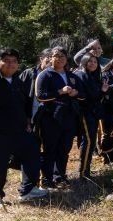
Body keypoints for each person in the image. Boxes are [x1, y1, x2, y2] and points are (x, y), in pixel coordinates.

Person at [0, 48, 47, 208]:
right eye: (7, 61)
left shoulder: (18, 80)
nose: (11, 64)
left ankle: (27, 189)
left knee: (32, 153)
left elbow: (24, 102)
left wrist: (27, 120)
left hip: (20, 129)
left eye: (14, 61)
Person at [35, 46, 83, 188]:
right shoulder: (45, 75)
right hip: (51, 118)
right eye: (56, 56)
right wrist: (60, 91)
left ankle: (60, 176)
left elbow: (82, 94)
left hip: (69, 118)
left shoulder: (72, 76)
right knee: (50, 149)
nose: (60, 58)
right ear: (50, 58)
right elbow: (40, 96)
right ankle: (46, 179)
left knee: (64, 149)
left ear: (66, 58)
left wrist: (76, 94)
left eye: (62, 56)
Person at [74, 53, 108, 178]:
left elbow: (97, 96)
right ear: (84, 62)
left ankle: (85, 170)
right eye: (90, 61)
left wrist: (102, 91)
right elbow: (86, 96)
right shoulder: (81, 75)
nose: (93, 64)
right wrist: (102, 91)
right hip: (85, 113)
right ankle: (83, 173)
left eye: (95, 61)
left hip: (93, 113)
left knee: (90, 142)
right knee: (88, 142)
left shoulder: (94, 76)